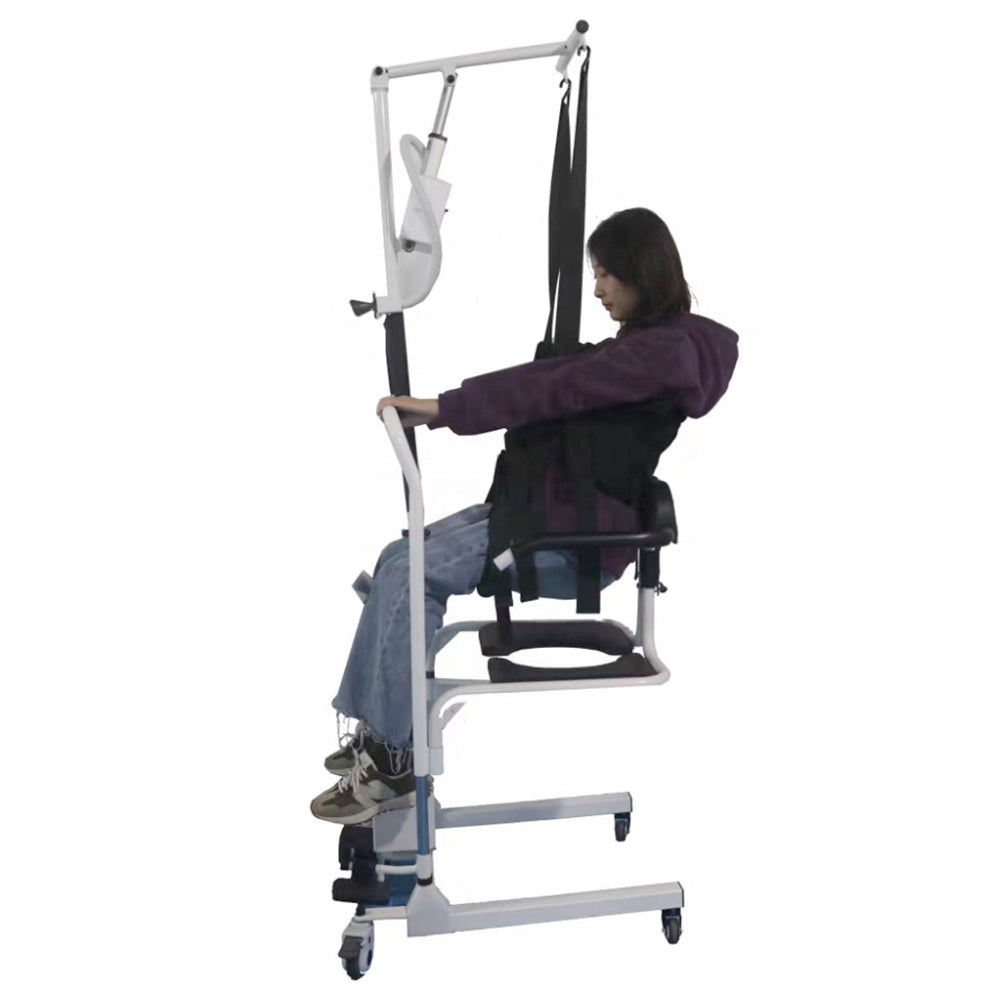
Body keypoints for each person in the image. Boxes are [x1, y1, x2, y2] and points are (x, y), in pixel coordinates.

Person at [311, 207, 740, 825]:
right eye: (594, 275)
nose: (598, 289)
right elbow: (559, 375)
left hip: (570, 540)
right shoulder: (649, 344)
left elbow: (555, 388)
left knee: (412, 574)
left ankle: (392, 762)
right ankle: (376, 732)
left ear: (641, 272)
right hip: (551, 512)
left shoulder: (659, 356)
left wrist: (445, 409)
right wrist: (446, 407)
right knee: (396, 558)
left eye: (606, 275)